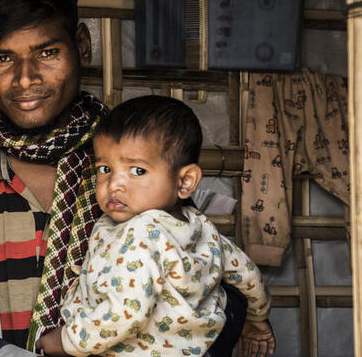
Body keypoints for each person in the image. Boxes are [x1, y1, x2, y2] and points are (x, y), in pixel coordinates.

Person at [0, 0, 247, 357]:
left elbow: (211, 282)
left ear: (82, 47)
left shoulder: (136, 165)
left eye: (47, 52)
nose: (25, 78)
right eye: (3, 59)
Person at [36, 95, 275, 357]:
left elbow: (124, 314)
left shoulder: (138, 236)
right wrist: (257, 318)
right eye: (105, 168)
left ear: (185, 181)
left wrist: (66, 341)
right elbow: (247, 273)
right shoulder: (199, 225)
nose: (114, 184)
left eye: (137, 171)